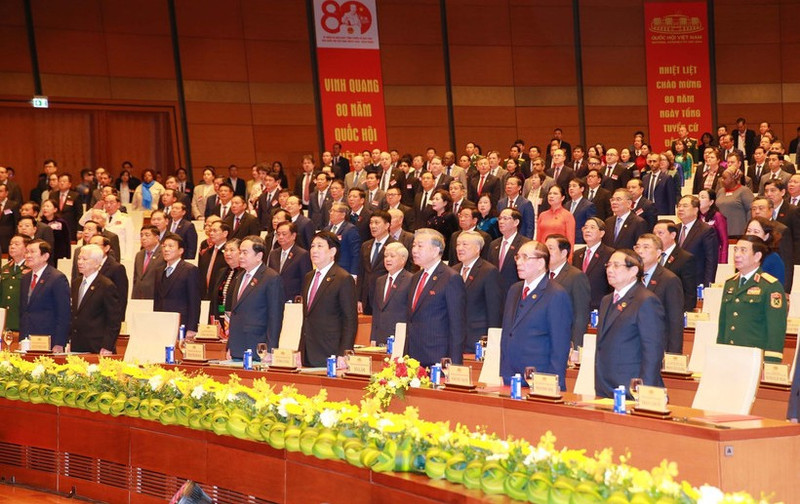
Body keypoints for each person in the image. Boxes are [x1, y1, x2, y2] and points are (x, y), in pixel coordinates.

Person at [499, 240, 572, 389]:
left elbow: (560, 344)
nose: (519, 262)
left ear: (540, 263)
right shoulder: (514, 290)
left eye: (525, 257)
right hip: (510, 375)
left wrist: (554, 382)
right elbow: (508, 332)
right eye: (517, 257)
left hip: (540, 377)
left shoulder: (555, 294)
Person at [595, 249, 665, 398]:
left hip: (631, 387)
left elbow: (652, 352)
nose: (610, 270)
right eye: (608, 265)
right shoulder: (606, 300)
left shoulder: (646, 300)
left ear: (633, 270)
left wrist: (645, 391)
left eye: (616, 265)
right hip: (604, 385)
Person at [717, 235, 786, 363]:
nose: (737, 255)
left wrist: (771, 361)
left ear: (757, 256)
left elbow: (776, 329)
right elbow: (723, 325)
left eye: (743, 250)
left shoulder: (770, 286)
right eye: (736, 249)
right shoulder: (730, 283)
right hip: (729, 356)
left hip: (754, 359)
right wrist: (720, 353)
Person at [405, 228, 465, 366]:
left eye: (420, 246)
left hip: (438, 357)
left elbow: (457, 325)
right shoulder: (415, 278)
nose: (414, 250)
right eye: (414, 245)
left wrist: (454, 364)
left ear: (435, 250)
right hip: (413, 356)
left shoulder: (451, 278)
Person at [300, 231, 358, 367]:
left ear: (332, 251)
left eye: (320, 246)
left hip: (330, 351)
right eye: (312, 246)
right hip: (307, 351)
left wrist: (344, 353)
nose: (314, 250)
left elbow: (350, 320)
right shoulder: (309, 277)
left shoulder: (343, 278)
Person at [226, 236, 285, 360]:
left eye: (245, 253)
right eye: (240, 252)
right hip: (237, 345)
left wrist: (270, 349)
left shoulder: (271, 277)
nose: (240, 256)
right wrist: (229, 346)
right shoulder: (240, 276)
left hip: (257, 347)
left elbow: (275, 317)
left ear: (259, 256)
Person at [451, 230, 502, 351]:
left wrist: (491, 340)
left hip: (477, 336)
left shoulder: (488, 271)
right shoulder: (453, 270)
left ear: (477, 248)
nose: (460, 248)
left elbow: (494, 309)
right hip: (455, 336)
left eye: (465, 244)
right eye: (458, 244)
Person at [635, 234, 685, 353]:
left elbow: (675, 322)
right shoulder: (631, 277)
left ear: (658, 253)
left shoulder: (669, 280)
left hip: (656, 347)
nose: (640, 251)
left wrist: (673, 354)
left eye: (646, 247)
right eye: (637, 247)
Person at [69, 244, 122, 354]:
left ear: (97, 263)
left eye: (84, 259)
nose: (80, 262)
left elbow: (114, 320)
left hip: (97, 346)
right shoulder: (76, 283)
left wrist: (108, 346)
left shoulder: (106, 285)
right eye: (79, 258)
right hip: (77, 344)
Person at [19, 240, 71, 352]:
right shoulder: (25, 278)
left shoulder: (57, 278)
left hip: (48, 339)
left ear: (45, 256)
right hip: (27, 339)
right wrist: (22, 338)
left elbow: (63, 314)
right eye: (27, 252)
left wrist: (59, 342)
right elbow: (24, 311)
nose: (28, 255)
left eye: (32, 252)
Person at [546, 234, 591, 347]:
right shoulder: (542, 274)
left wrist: (576, 346)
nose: (545, 252)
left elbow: (581, 315)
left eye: (550, 248)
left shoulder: (576, 276)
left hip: (564, 340)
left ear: (564, 253)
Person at [154, 234, 201, 335]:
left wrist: (192, 328)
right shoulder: (159, 271)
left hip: (181, 323)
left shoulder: (190, 270)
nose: (166, 249)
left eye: (170, 246)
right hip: (162, 323)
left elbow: (194, 302)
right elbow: (157, 300)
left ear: (181, 251)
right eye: (164, 246)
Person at [370, 242, 413, 345]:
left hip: (400, 337)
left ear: (403, 259)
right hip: (380, 337)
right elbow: (376, 310)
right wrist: (373, 337)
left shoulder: (411, 279)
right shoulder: (380, 280)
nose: (387, 259)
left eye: (392, 256)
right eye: (385, 256)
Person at [487, 208, 531, 303]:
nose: (501, 221)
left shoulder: (525, 244)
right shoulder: (493, 244)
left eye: (505, 218)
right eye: (500, 218)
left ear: (516, 222)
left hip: (515, 295)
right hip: (494, 296)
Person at [676, 195, 719, 286]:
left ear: (696, 210)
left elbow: (711, 261)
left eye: (685, 206)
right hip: (676, 283)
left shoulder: (706, 230)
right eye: (679, 206)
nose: (680, 209)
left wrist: (707, 286)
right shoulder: (675, 229)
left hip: (696, 282)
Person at [267, 221, 312, 302]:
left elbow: (306, 280)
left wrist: (301, 298)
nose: (280, 237)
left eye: (284, 234)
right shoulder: (273, 253)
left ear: (293, 236)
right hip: (274, 296)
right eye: (278, 234)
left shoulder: (302, 254)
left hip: (293, 298)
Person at [0, 234, 31, 331]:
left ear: (26, 248)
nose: (12, 246)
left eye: (17, 244)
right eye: (11, 244)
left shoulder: (31, 268)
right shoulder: (5, 268)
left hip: (21, 319)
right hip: (5, 320)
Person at [210, 239, 241, 330]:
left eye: (231, 250)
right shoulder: (221, 272)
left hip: (236, 320)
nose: (227, 253)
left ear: (241, 252)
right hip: (219, 316)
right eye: (225, 250)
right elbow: (214, 299)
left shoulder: (244, 274)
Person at [744, 217, 786, 286]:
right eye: (748, 231)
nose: (751, 234)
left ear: (766, 236)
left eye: (756, 232)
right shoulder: (743, 256)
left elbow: (778, 287)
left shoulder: (773, 258)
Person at [324, 201, 361, 277]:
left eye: (334, 211)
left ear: (343, 214)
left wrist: (354, 273)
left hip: (344, 269)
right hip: (328, 268)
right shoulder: (326, 229)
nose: (331, 213)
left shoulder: (350, 229)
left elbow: (355, 253)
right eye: (330, 211)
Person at [716, 166, 753, 239]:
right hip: (721, 232)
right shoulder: (720, 191)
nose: (722, 180)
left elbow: (751, 210)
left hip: (738, 233)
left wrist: (748, 229)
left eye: (725, 178)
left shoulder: (744, 191)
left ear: (733, 179)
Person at [536, 185, 575, 249]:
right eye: (550, 193)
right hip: (543, 252)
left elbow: (570, 240)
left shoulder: (568, 215)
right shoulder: (542, 215)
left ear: (562, 198)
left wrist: (569, 258)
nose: (551, 196)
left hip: (559, 252)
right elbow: (538, 238)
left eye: (555, 194)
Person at [197, 220, 229, 300]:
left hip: (221, 296)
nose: (211, 233)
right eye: (210, 230)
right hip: (205, 295)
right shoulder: (207, 252)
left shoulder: (229, 253)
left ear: (225, 233)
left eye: (214, 231)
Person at [132, 225, 166, 300]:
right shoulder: (139, 254)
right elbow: (136, 278)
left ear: (157, 238)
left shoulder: (164, 253)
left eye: (147, 235)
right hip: (138, 297)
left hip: (156, 297)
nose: (143, 238)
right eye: (141, 235)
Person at [425, 189, 458, 259]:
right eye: (433, 199)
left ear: (445, 203)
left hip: (445, 252)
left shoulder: (450, 216)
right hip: (432, 250)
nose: (433, 201)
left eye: (437, 199)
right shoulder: (431, 217)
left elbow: (454, 236)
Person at [698, 189, 729, 264]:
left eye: (703, 197)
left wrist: (723, 262)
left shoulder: (717, 216)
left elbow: (724, 241)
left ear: (711, 202)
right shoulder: (696, 216)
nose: (699, 200)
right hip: (698, 258)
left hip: (714, 256)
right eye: (698, 197)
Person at [104, 193, 137, 260]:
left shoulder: (126, 219)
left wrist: (128, 257)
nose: (108, 205)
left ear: (118, 205)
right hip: (105, 255)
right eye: (106, 203)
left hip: (120, 255)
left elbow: (130, 240)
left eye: (111, 202)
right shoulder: (102, 217)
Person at [566, 178, 596, 245]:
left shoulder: (589, 205)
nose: (571, 188)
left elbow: (590, 224)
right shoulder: (566, 205)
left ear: (582, 189)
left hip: (580, 240)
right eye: (569, 186)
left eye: (574, 186)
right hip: (566, 239)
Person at [0, 184, 20, 254]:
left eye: (1, 191)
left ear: (6, 193)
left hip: (8, 238)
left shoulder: (13, 205)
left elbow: (17, 222)